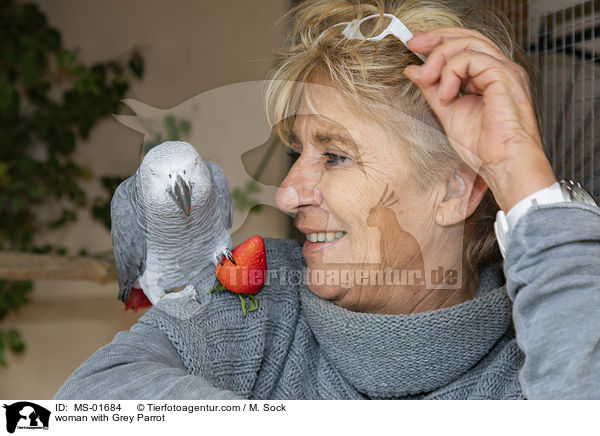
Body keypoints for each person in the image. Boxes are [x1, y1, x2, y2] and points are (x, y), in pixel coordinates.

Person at [54, 0, 600, 399]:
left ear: (453, 189)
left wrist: (523, 177)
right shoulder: (255, 300)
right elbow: (90, 399)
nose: (288, 195)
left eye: (335, 155)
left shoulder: (539, 352)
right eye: (297, 155)